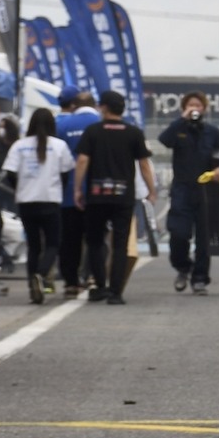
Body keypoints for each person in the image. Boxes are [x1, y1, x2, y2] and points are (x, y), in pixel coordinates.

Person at [72, 90, 156, 305]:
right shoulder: (133, 133)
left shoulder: (93, 131)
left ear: (104, 108)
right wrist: (151, 189)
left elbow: (82, 161)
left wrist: (78, 189)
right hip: (123, 197)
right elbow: (144, 164)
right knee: (120, 244)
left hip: (97, 196)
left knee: (95, 241)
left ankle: (99, 286)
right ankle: (116, 292)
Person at [156, 91, 219, 294]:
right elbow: (164, 140)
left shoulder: (212, 132)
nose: (195, 109)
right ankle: (182, 267)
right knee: (178, 233)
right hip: (182, 189)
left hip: (207, 191)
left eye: (198, 105)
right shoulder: (179, 130)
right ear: (184, 108)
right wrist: (182, 120)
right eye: (191, 105)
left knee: (204, 239)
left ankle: (200, 278)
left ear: (204, 109)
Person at [3, 108, 71, 304]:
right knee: (53, 243)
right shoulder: (59, 146)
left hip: (26, 201)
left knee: (33, 245)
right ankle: (40, 275)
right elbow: (65, 174)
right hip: (50, 199)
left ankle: (32, 286)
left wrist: (21, 188)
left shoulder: (19, 146)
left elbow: (10, 173)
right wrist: (58, 189)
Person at [53, 90, 102, 299]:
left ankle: (71, 282)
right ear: (96, 105)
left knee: (69, 239)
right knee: (95, 238)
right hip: (96, 190)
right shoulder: (102, 123)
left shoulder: (62, 125)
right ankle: (93, 277)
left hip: (68, 190)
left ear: (73, 106)